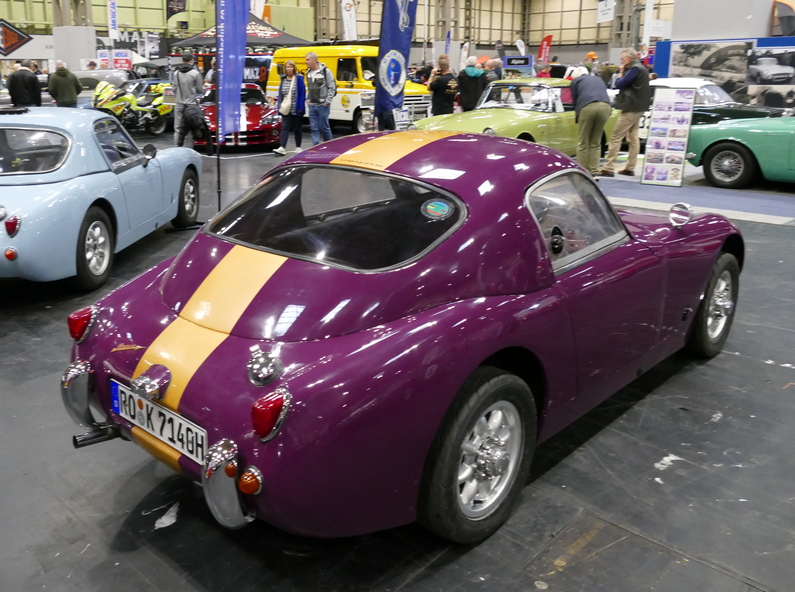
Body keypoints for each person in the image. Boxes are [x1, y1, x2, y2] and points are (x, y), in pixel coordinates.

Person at [599, 48, 650, 177]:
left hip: (630, 107)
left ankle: (608, 167)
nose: (621, 61)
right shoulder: (643, 68)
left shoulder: (634, 69)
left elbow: (620, 83)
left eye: (622, 59)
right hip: (639, 107)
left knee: (616, 137)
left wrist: (621, 72)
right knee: (633, 137)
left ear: (629, 58)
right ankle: (630, 167)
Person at [569, 66, 612, 175]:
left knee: (583, 142)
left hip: (587, 107)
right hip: (605, 107)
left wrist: (577, 116)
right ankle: (594, 172)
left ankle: (582, 172)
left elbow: (575, 101)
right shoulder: (598, 79)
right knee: (595, 142)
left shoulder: (576, 81)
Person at [173, 52, 204, 146]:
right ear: (192, 60)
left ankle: (177, 149)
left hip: (179, 104)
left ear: (183, 60)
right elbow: (200, 90)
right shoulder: (195, 74)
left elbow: (174, 89)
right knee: (191, 129)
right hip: (191, 106)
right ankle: (189, 151)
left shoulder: (176, 73)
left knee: (178, 129)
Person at [274, 60, 305, 155]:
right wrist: (279, 107)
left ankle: (298, 147)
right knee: (285, 127)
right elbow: (281, 95)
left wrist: (300, 107)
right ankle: (282, 147)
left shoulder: (299, 79)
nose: (289, 69)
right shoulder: (283, 79)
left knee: (297, 128)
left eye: (291, 67)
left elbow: (302, 94)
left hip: (296, 108)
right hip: (285, 108)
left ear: (294, 68)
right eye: (287, 67)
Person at [305, 51, 336, 145]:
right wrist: (308, 99)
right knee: (313, 127)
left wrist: (327, 102)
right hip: (312, 105)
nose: (305, 62)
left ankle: (329, 145)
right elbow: (310, 88)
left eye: (307, 60)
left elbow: (332, 87)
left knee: (324, 127)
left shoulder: (325, 71)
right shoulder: (308, 73)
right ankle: (315, 147)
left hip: (322, 105)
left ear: (314, 60)